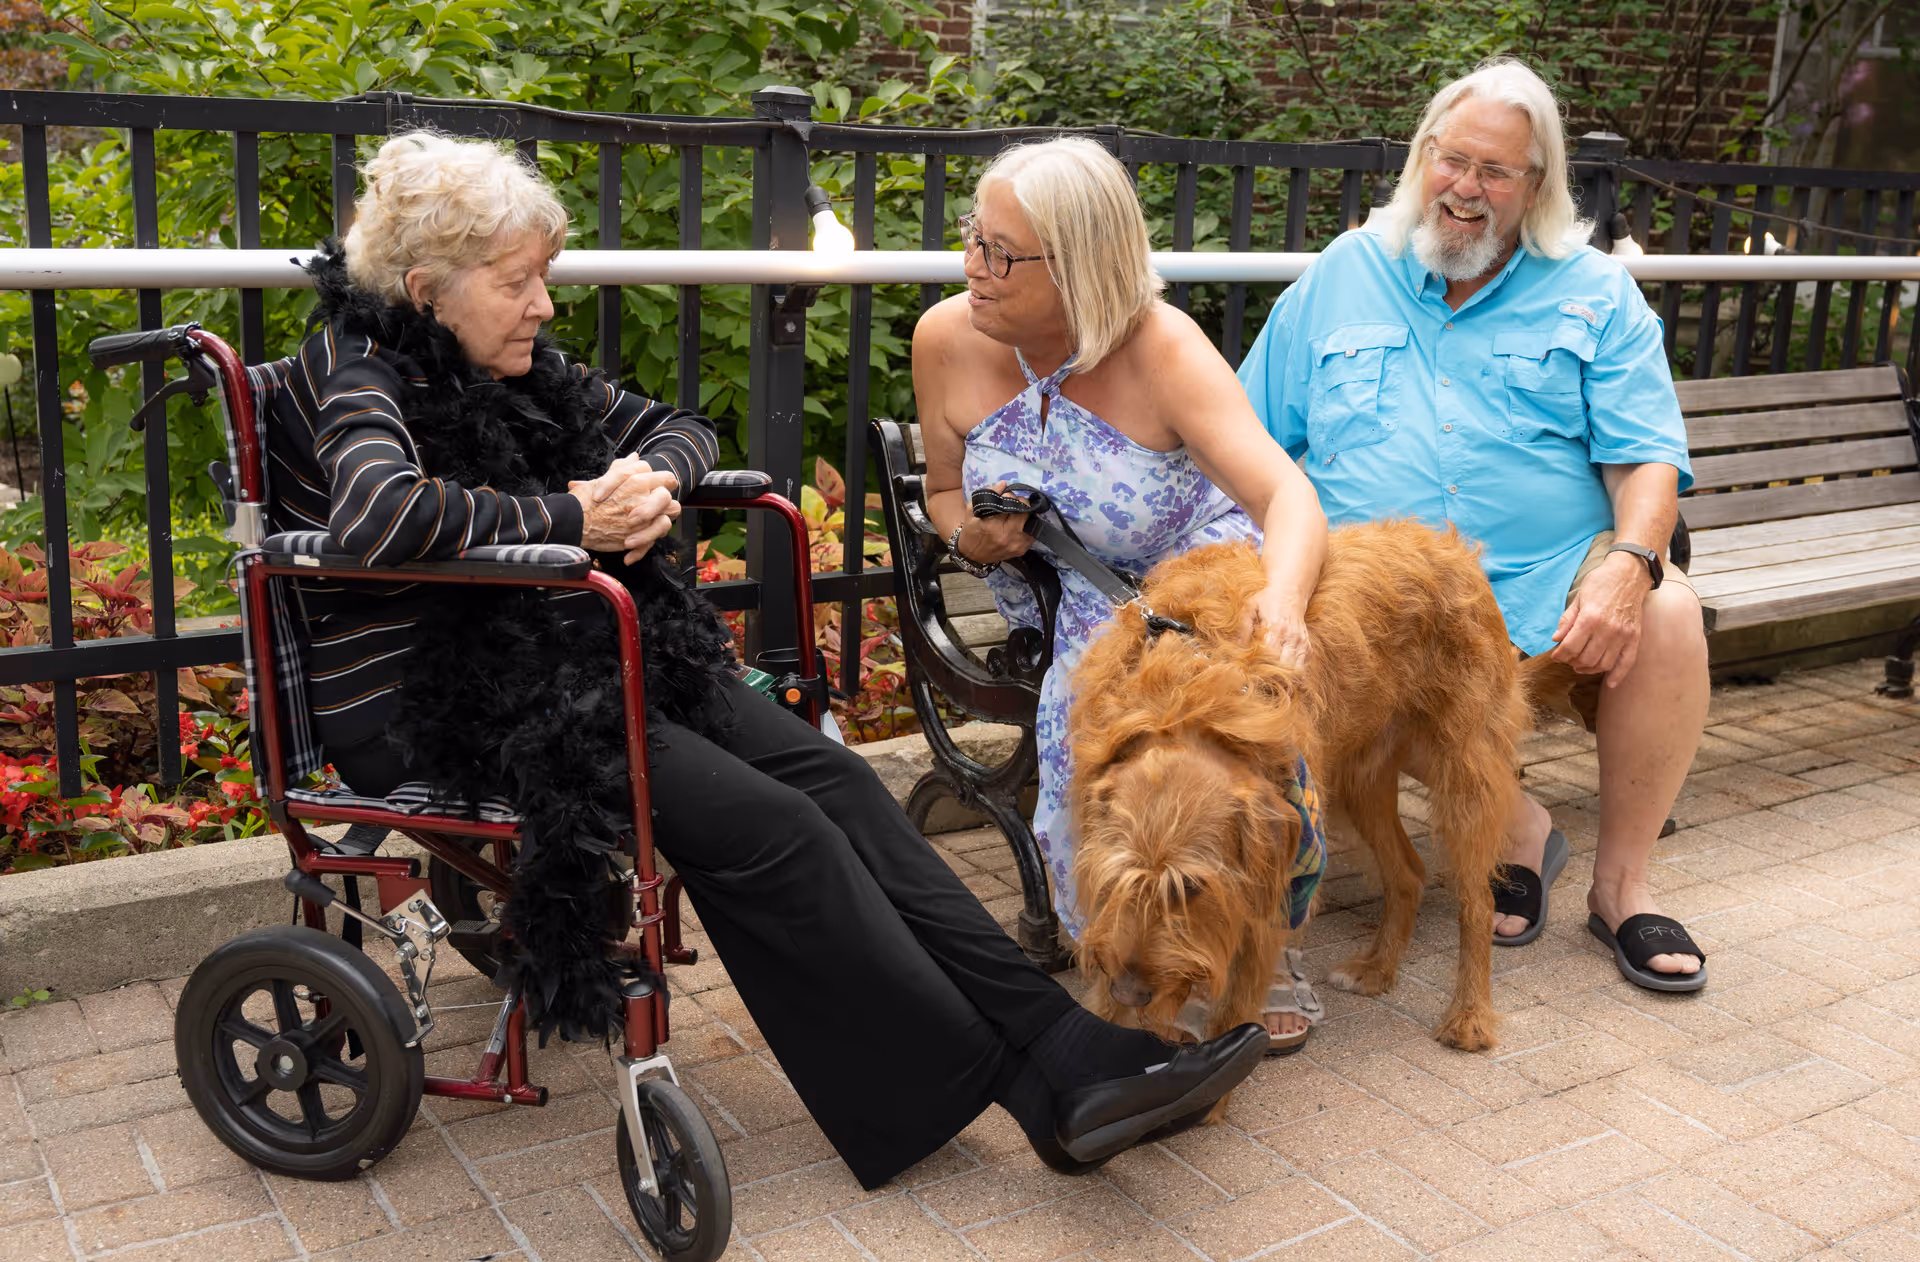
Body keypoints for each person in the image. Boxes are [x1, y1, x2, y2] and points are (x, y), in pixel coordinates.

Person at [260, 130, 1269, 1190]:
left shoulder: (513, 365)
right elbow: (377, 510)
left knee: (834, 777)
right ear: (423, 290)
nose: (544, 304)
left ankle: (1064, 1042)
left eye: (543, 277)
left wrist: (646, 480)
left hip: (574, 656)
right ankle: (1038, 1094)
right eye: (517, 283)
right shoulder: (359, 362)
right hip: (433, 702)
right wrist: (574, 513)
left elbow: (683, 426)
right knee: (779, 831)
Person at [1237, 59, 1710, 993]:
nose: (1467, 190)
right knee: (1357, 652)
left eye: (1497, 173)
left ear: (1537, 186)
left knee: (1669, 614)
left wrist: (1629, 563)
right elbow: (1247, 441)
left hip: (1542, 584)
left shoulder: (1594, 292)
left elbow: (1649, 456)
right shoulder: (1341, 277)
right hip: (1386, 601)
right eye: (1453, 162)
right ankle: (1520, 828)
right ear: (1423, 160)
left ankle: (1621, 886)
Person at [913, 138, 1332, 1051]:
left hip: (1194, 569)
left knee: (1243, 725)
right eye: (973, 241)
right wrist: (969, 535)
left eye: (1001, 254)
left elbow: (1287, 496)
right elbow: (941, 492)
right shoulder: (946, 339)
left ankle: (1261, 941)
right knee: (1084, 719)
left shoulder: (1161, 349)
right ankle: (1116, 949)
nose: (973, 270)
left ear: (1079, 266)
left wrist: (1286, 604)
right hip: (1069, 586)